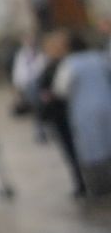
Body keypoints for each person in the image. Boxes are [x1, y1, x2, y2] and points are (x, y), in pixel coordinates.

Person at [52, 31, 111, 197]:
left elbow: (61, 89)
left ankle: (99, 186)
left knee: (91, 147)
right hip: (107, 103)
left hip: (83, 109)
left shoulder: (70, 63)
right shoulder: (100, 57)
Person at [36, 29, 89, 199]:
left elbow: (61, 89)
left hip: (69, 111)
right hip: (59, 114)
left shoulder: (67, 64)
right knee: (70, 149)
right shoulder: (49, 64)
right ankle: (80, 180)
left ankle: (85, 180)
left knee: (78, 147)